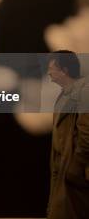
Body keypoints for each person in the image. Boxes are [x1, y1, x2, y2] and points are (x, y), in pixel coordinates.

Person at [46, 50, 89, 219]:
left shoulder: (84, 93)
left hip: (73, 170)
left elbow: (86, 134)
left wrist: (75, 167)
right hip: (62, 167)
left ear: (64, 70)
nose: (49, 72)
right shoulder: (64, 94)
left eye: (51, 68)